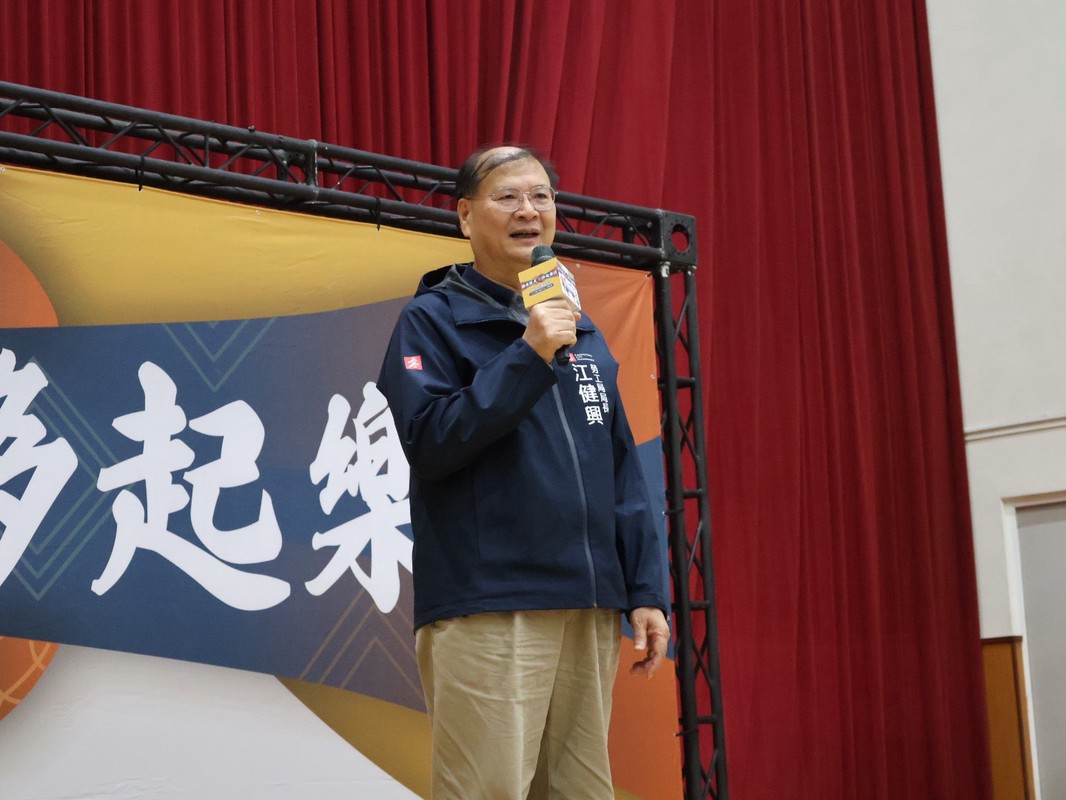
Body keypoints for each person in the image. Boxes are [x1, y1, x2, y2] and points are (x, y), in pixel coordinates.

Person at [377, 145, 670, 799]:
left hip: (588, 603)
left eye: (541, 197)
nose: (529, 211)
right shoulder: (433, 321)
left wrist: (646, 588)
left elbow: (620, 465)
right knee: (488, 789)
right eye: (508, 197)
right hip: (492, 601)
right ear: (465, 216)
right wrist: (530, 352)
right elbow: (432, 442)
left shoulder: (579, 328)